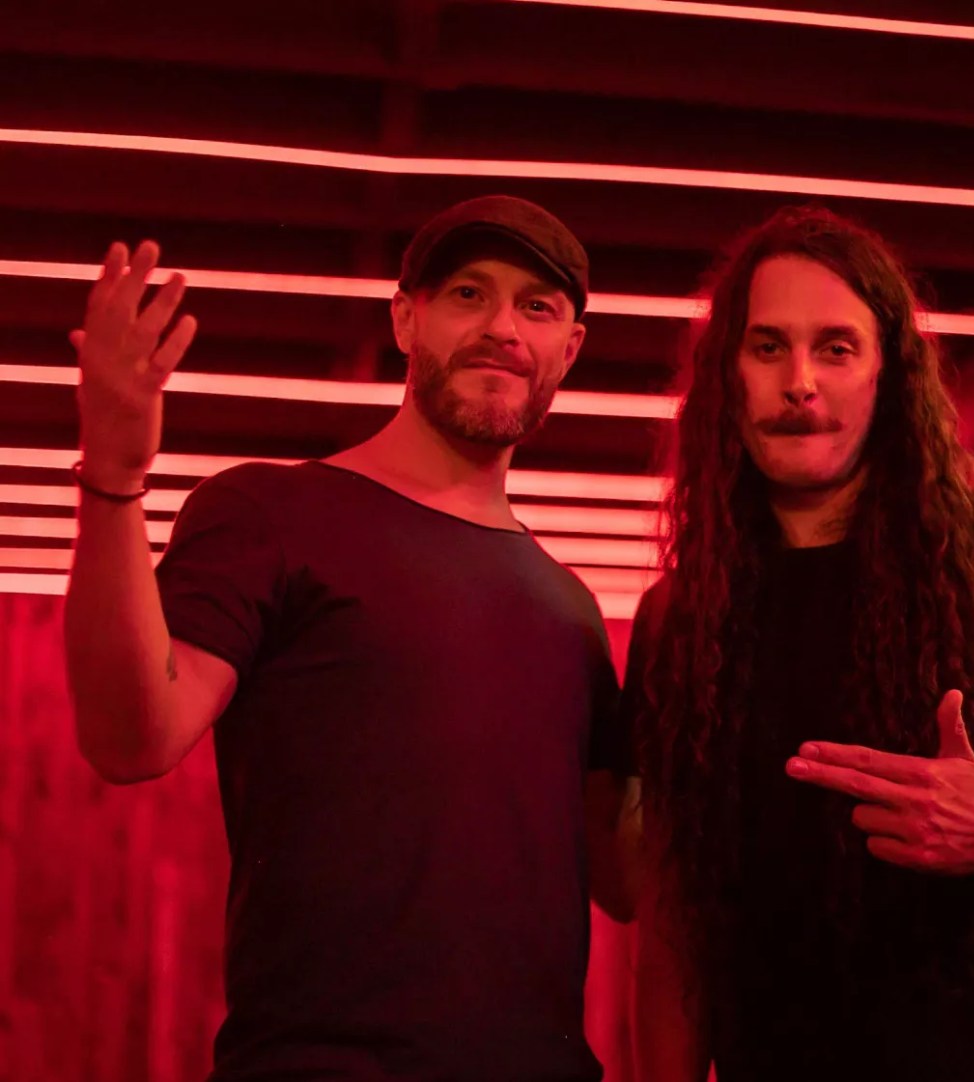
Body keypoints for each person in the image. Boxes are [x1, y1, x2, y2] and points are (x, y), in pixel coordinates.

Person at [63, 195, 635, 1081]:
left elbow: (628, 879)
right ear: (405, 316)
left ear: (571, 348)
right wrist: (112, 478)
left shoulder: (569, 607)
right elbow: (131, 736)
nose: (501, 328)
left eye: (537, 306)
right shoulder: (272, 512)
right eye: (467, 294)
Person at [624, 205, 974, 1082]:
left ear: (888, 377)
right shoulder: (677, 619)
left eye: (836, 347)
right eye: (768, 347)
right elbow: (676, 926)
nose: (801, 381)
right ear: (728, 376)